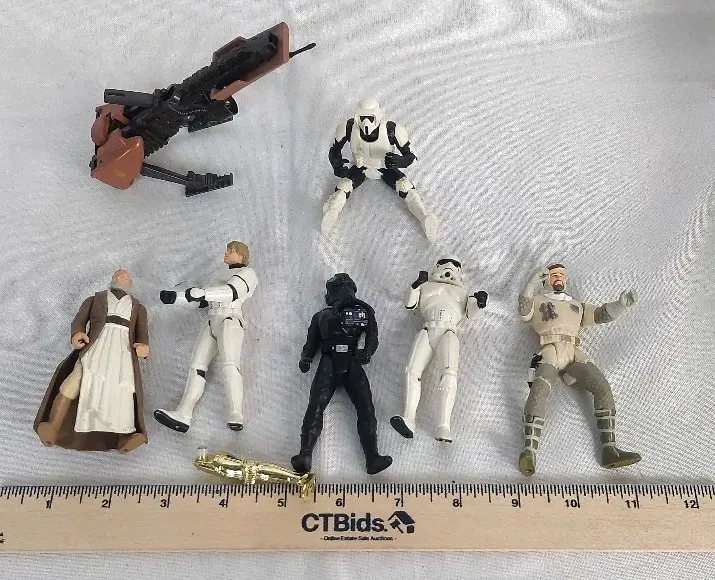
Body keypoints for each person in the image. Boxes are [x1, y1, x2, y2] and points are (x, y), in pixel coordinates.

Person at [517, 263, 641, 475]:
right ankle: (529, 451)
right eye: (554, 275)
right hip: (551, 349)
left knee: (602, 386)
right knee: (539, 390)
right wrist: (530, 285)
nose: (558, 278)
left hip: (574, 352)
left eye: (561, 275)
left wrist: (620, 305)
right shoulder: (538, 301)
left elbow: (600, 315)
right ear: (546, 279)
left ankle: (610, 449)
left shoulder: (576, 305)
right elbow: (523, 312)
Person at [34, 270, 149, 453]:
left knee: (124, 389)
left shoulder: (138, 308)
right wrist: (77, 333)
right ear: (112, 279)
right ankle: (54, 425)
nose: (121, 277)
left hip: (122, 354)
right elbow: (79, 320)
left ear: (130, 283)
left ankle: (124, 437)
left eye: (125, 276)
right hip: (96, 347)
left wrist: (144, 346)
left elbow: (142, 333)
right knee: (76, 380)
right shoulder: (95, 299)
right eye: (118, 275)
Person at [292, 273, 392, 475]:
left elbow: (373, 337)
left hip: (352, 359)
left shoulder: (363, 311)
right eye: (339, 288)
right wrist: (306, 358)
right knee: (316, 405)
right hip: (329, 360)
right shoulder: (321, 316)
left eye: (347, 288)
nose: (344, 292)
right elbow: (311, 342)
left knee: (366, 407)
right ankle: (305, 454)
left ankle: (372, 457)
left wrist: (367, 351)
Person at [155, 241, 257, 432]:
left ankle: (236, 413)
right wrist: (177, 298)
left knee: (230, 364)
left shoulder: (248, 273)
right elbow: (201, 302)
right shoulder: (218, 275)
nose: (226, 252)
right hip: (212, 320)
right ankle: (184, 414)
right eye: (227, 249)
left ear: (241, 255)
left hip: (230, 319)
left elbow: (231, 292)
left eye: (231, 250)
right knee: (196, 367)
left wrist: (202, 293)